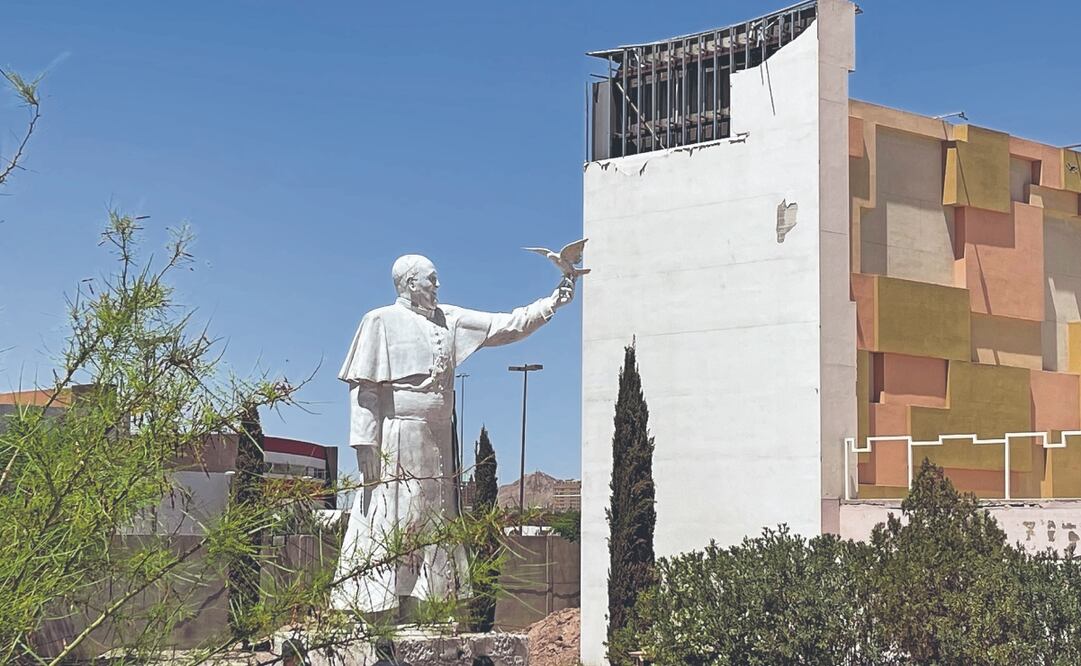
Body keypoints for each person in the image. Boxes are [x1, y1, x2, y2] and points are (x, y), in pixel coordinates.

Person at [332, 254, 573, 615]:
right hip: (398, 434)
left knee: (432, 519)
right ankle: (381, 608)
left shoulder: (451, 320)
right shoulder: (379, 321)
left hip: (439, 439)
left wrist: (552, 302)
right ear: (410, 283)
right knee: (393, 514)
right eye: (432, 279)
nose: (438, 285)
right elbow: (365, 389)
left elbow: (506, 325)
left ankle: (420, 606)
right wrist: (365, 441)